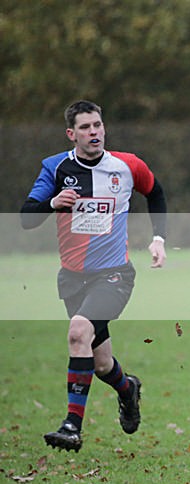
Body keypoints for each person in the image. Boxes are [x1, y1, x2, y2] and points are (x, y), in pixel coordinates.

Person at [20, 100, 168, 453]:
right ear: (72, 134)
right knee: (100, 363)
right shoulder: (55, 168)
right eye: (85, 128)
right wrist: (52, 204)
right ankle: (127, 389)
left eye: (98, 125)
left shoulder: (126, 166)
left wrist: (159, 239)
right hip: (73, 278)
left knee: (78, 332)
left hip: (115, 274)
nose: (94, 132)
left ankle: (72, 425)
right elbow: (26, 217)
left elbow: (156, 193)